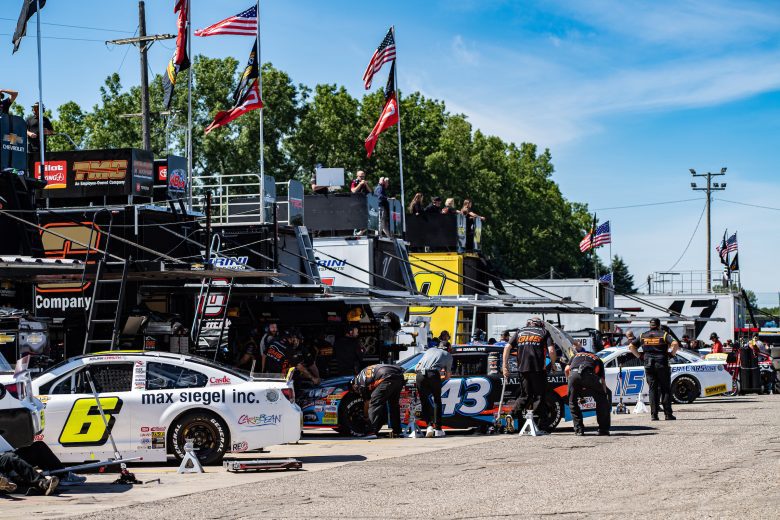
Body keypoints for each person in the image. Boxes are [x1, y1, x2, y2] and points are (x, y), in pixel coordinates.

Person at [502, 317, 557, 431]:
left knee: (525, 396)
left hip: (522, 369)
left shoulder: (519, 331)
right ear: (540, 324)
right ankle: (542, 425)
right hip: (538, 369)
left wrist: (504, 366)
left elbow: (507, 347)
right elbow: (551, 350)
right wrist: (553, 364)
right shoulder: (544, 332)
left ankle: (511, 414)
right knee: (539, 396)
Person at [629, 318, 679, 421]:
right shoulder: (664, 334)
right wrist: (671, 354)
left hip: (648, 364)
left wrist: (639, 356)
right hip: (662, 364)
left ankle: (654, 415)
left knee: (653, 389)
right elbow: (675, 344)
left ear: (650, 325)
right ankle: (668, 414)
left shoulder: (643, 335)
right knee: (665, 389)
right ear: (659, 325)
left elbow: (631, 346)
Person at [352, 363, 406, 437]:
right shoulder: (363, 372)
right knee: (394, 405)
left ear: (354, 386)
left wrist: (365, 417)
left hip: (386, 377)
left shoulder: (359, 383)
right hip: (399, 376)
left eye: (354, 390)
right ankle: (397, 431)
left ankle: (371, 432)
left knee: (374, 403)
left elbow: (367, 402)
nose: (356, 391)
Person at [565, 350, 611, 436]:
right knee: (602, 401)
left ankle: (579, 430)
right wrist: (603, 396)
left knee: (572, 402)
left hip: (573, 375)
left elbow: (567, 369)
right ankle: (603, 429)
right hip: (588, 373)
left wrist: (570, 383)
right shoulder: (597, 359)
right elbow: (602, 381)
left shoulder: (575, 355)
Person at [414, 342, 453, 437]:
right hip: (433, 374)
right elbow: (448, 376)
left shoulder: (430, 350)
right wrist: (439, 379)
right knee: (437, 401)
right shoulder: (448, 355)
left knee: (424, 401)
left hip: (420, 375)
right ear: (448, 348)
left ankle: (429, 427)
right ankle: (438, 429)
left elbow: (416, 368)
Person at [26, 102, 54, 176]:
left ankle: (39, 179)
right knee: (30, 164)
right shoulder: (29, 119)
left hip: (42, 147)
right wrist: (29, 134)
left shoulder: (45, 120)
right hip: (30, 146)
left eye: (36, 108)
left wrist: (48, 132)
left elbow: (52, 131)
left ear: (41, 110)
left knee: (40, 165)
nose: (34, 110)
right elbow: (24, 130)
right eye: (33, 108)